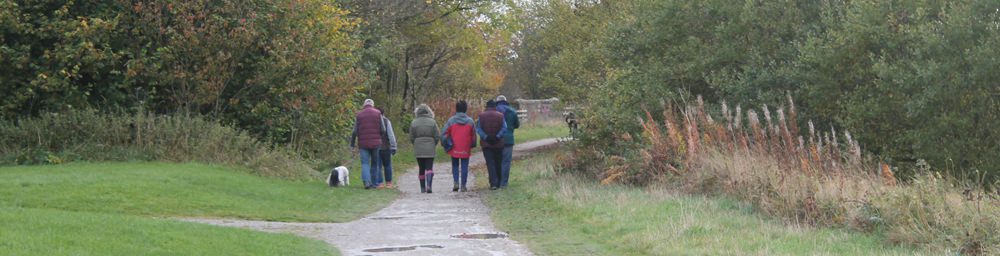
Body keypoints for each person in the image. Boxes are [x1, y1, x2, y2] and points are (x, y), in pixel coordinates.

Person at [349, 99, 385, 189]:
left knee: (365, 163)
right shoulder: (378, 113)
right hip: (376, 143)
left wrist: (352, 144)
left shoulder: (359, 115)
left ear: (364, 105)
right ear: (372, 105)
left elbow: (354, 131)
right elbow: (383, 129)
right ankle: (373, 184)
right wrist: (379, 137)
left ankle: (366, 182)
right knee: (374, 163)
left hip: (363, 143)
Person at [441, 100, 476, 192]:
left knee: (455, 165)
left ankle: (456, 182)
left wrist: (445, 143)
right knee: (465, 166)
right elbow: (473, 135)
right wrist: (473, 144)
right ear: (465, 109)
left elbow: (444, 133)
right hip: (465, 147)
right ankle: (463, 185)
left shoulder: (451, 121)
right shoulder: (470, 121)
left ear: (456, 109)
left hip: (454, 147)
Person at [409, 104, 440, 193]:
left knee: (421, 168)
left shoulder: (414, 122)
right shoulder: (432, 122)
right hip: (430, 147)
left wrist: (415, 143)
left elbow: (411, 136)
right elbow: (437, 135)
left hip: (418, 147)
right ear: (428, 111)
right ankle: (429, 186)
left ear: (417, 112)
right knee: (429, 168)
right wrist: (434, 144)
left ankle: (422, 188)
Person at [477, 99, 508, 190]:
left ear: (487, 106)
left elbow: (478, 129)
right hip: (498, 144)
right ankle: (498, 182)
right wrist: (498, 136)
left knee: (490, 163)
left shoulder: (481, 116)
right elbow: (504, 128)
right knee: (498, 162)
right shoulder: (501, 115)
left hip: (486, 144)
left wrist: (486, 137)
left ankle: (493, 183)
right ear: (495, 106)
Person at [495, 95, 520, 188]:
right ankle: (504, 183)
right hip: (508, 139)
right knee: (506, 162)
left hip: (496, 139)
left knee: (497, 161)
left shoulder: (494, 111)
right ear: (506, 101)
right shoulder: (512, 111)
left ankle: (496, 181)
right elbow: (517, 125)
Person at [375, 107, 397, 189]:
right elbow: (391, 135)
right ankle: (389, 183)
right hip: (386, 147)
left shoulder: (373, 122)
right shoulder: (387, 121)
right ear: (383, 113)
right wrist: (394, 146)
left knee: (378, 166)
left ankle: (380, 183)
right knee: (387, 165)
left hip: (376, 147)